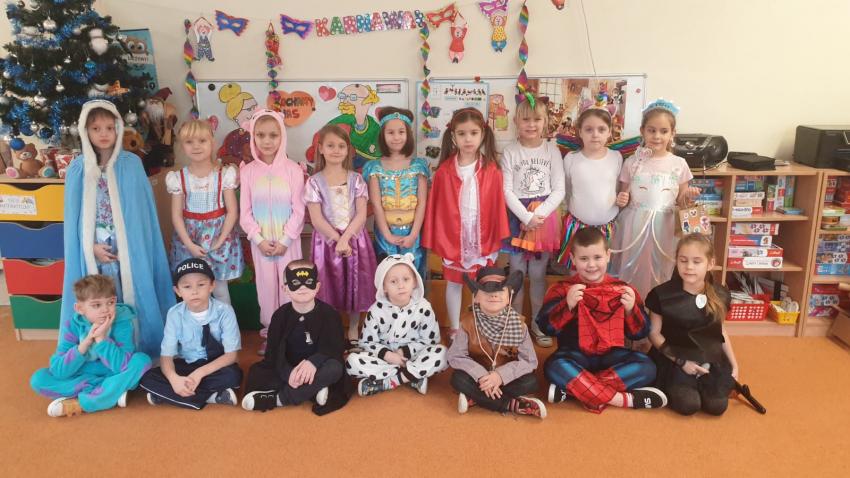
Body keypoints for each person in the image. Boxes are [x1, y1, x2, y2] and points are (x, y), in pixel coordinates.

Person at [62, 99, 175, 359]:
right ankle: (102, 349)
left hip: (130, 248)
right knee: (102, 295)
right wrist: (90, 247)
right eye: (96, 129)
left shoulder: (131, 164)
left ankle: (138, 346)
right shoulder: (78, 168)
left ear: (118, 129)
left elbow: (142, 215)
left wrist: (131, 245)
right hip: (96, 249)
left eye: (109, 128)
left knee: (133, 291)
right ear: (85, 131)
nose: (103, 134)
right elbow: (73, 220)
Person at [537, 227, 667, 413]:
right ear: (573, 259)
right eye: (584, 259)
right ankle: (624, 399)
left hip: (612, 357)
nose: (591, 265)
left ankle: (574, 389)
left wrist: (631, 310)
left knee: (647, 367)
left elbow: (640, 333)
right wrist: (567, 305)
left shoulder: (623, 289)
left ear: (608, 255)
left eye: (597, 257)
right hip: (575, 355)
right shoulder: (562, 288)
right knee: (554, 366)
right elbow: (546, 328)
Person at [422, 107, 509, 340]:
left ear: (483, 134)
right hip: (455, 237)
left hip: (481, 236)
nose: (468, 139)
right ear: (453, 136)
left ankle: (479, 326)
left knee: (481, 285)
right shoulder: (444, 171)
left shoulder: (492, 169)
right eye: (462, 134)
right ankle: (455, 328)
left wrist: (495, 235)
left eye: (473, 133)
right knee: (454, 283)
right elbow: (438, 209)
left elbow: (497, 206)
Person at [610, 99, 700, 297]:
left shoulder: (679, 163)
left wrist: (689, 196)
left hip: (664, 225)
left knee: (661, 270)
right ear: (642, 131)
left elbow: (682, 201)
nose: (657, 136)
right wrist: (622, 198)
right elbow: (624, 196)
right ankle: (632, 307)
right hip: (634, 224)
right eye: (651, 130)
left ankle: (656, 308)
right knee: (632, 267)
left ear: (672, 133)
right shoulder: (632, 162)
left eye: (663, 131)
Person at [30, 275, 151, 417]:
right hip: (84, 373)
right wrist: (85, 343)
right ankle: (108, 391)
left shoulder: (122, 322)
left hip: (111, 372)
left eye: (110, 302)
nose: (105, 310)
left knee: (142, 361)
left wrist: (101, 339)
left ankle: (84, 403)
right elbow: (58, 370)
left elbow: (121, 366)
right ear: (79, 308)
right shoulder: (72, 325)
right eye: (96, 305)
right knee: (38, 379)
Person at [647, 233, 740, 416]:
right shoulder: (661, 295)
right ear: (677, 261)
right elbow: (654, 333)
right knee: (688, 405)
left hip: (708, 357)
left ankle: (701, 383)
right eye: (683, 260)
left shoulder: (720, 294)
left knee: (717, 407)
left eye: (697, 262)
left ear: (710, 264)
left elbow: (720, 331)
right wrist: (682, 362)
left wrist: (734, 364)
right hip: (674, 357)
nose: (689, 267)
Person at [241, 260, 351, 415]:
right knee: (256, 371)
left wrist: (313, 363)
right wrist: (288, 373)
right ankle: (313, 391)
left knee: (334, 369)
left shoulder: (330, 314)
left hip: (319, 366)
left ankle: (279, 399)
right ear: (285, 288)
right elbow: (273, 353)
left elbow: (334, 347)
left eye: (308, 282)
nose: (303, 287)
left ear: (317, 286)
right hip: (288, 364)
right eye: (295, 282)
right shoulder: (280, 316)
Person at [240, 109, 306, 354]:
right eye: (260, 135)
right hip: (262, 244)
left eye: (273, 135)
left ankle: (292, 333)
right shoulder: (247, 172)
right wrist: (258, 239)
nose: (267, 141)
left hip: (288, 243)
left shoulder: (293, 170)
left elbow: (299, 210)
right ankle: (271, 334)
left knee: (291, 286)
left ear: (282, 136)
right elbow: (245, 212)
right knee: (266, 289)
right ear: (253, 137)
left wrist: (285, 239)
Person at [501, 97, 565, 348]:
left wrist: (539, 216)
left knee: (538, 275)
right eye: (526, 119)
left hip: (544, 221)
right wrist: (526, 217)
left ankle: (538, 324)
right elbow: (506, 191)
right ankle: (516, 324)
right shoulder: (510, 151)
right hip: (518, 219)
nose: (531, 124)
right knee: (516, 274)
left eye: (537, 119)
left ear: (545, 121)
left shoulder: (552, 151)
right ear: (516, 121)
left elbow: (559, 189)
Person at [306, 124, 377, 346]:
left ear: (348, 150)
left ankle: (354, 326)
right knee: (329, 284)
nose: (336, 150)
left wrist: (346, 239)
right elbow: (316, 219)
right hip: (326, 243)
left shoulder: (357, 180)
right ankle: (332, 328)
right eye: (330, 145)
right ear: (321, 149)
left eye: (341, 146)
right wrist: (337, 240)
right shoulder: (314, 182)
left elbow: (362, 213)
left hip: (354, 240)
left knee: (356, 283)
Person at [139, 258, 243, 409]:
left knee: (233, 375)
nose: (194, 291)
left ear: (212, 285)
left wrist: (199, 374)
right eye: (187, 286)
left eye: (201, 285)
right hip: (187, 364)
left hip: (215, 365)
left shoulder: (225, 311)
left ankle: (168, 395)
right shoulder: (174, 314)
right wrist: (174, 379)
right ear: (178, 291)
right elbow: (166, 356)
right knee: (148, 377)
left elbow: (231, 355)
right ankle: (212, 396)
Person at [447, 267, 547, 418]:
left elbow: (529, 361)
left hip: (506, 378)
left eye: (500, 291)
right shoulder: (467, 323)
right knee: (458, 379)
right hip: (478, 377)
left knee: (530, 382)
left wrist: (500, 376)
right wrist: (481, 375)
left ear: (509, 297)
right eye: (486, 290)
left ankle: (476, 397)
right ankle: (510, 404)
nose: (494, 295)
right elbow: (455, 356)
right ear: (476, 297)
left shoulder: (519, 325)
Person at [346, 254, 447, 396]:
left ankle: (390, 381)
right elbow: (367, 342)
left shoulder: (424, 307)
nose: (401, 286)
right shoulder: (375, 311)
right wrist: (388, 355)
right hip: (383, 360)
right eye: (393, 281)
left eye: (406, 279)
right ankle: (412, 377)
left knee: (443, 354)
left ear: (415, 282)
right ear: (384, 287)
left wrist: (404, 352)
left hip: (414, 357)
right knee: (352, 361)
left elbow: (431, 341)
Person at [167, 119, 243, 303]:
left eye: (202, 141)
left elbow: (232, 211)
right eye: (189, 142)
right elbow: (176, 216)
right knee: (193, 288)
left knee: (220, 289)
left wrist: (220, 240)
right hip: (189, 239)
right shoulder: (178, 178)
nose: (196, 146)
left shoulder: (223, 174)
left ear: (212, 143)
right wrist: (189, 244)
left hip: (219, 237)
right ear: (182, 146)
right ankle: (197, 321)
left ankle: (226, 321)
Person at [362, 107, 430, 279]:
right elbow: (376, 204)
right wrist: (387, 235)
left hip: (413, 233)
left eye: (401, 132)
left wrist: (413, 235)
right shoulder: (374, 167)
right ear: (383, 136)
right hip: (385, 233)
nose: (396, 137)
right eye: (390, 132)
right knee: (388, 275)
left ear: (408, 135)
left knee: (412, 275)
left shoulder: (418, 166)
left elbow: (422, 203)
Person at [556, 107, 627, 270]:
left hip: (607, 228)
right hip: (577, 226)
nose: (595, 134)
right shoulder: (571, 158)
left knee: (603, 272)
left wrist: (621, 199)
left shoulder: (616, 157)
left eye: (601, 129)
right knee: (577, 271)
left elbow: (617, 188)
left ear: (609, 132)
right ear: (580, 132)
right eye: (589, 129)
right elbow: (567, 190)